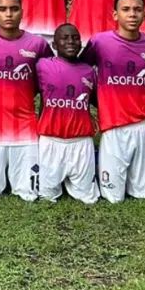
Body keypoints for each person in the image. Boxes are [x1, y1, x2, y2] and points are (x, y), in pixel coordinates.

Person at [90, 0, 145, 202]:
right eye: (126, 10)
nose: (132, 14)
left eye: (137, 10)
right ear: (115, 15)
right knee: (113, 196)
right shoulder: (100, 42)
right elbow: (81, 72)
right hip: (113, 126)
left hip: (144, 124)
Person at [0, 0, 45, 199]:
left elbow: (47, 81)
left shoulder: (38, 44)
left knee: (29, 193)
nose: (8, 14)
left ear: (22, 12)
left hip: (26, 129)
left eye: (14, 9)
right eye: (2, 9)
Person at [35, 23, 97, 204]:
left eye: (75, 38)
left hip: (81, 142)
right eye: (65, 38)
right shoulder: (42, 66)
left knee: (88, 198)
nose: (71, 42)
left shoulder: (89, 71)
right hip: (50, 140)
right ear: (54, 45)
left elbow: (95, 101)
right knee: (47, 196)